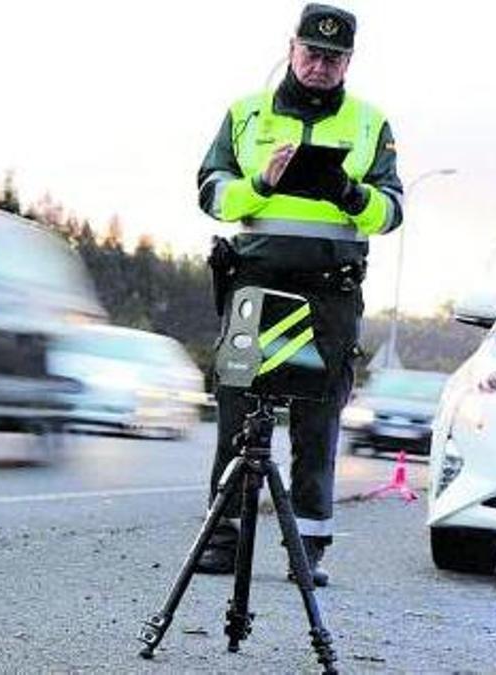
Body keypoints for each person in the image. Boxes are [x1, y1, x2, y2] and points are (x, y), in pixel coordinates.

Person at [195, 3, 404, 587]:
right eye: (312, 53)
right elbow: (211, 193)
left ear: (349, 62)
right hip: (256, 284)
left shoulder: (369, 123)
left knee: (318, 423)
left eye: (333, 58)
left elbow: (392, 212)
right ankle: (222, 537)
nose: (320, 66)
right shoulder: (246, 113)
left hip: (329, 294)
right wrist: (260, 183)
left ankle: (307, 548)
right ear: (291, 48)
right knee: (239, 415)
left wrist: (350, 194)